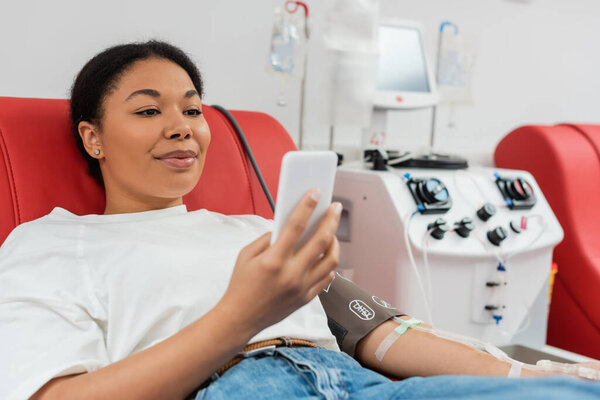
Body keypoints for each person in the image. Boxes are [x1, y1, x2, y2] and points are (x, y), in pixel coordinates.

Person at [0, 40, 598, 400]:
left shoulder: (257, 231)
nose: (181, 125)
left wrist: (529, 370)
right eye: (149, 109)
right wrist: (242, 315)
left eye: (192, 108)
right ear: (93, 138)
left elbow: (385, 333)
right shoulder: (50, 243)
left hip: (357, 382)